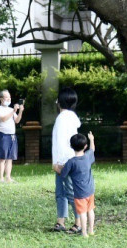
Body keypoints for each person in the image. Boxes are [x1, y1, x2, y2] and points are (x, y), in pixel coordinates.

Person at [51, 86, 81, 233]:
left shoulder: (62, 119)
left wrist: (58, 163)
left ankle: (79, 222)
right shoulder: (72, 118)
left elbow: (61, 143)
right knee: (62, 191)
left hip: (64, 162)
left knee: (68, 193)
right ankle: (60, 221)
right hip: (68, 160)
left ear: (59, 102)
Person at [59, 131, 97, 237]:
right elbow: (92, 150)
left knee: (82, 213)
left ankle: (84, 232)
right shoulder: (88, 156)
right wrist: (92, 139)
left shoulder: (71, 162)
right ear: (85, 146)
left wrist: (58, 167)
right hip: (90, 190)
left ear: (71, 146)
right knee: (90, 210)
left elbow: (63, 175)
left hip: (79, 193)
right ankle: (91, 230)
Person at [0, 90, 24, 184]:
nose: (8, 99)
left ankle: (8, 177)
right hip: (3, 135)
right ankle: (1, 178)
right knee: (3, 158)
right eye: (6, 97)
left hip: (12, 135)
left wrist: (20, 112)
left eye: (9, 97)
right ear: (1, 98)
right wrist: (14, 111)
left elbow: (17, 121)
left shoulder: (11, 110)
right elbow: (3, 119)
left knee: (10, 158)